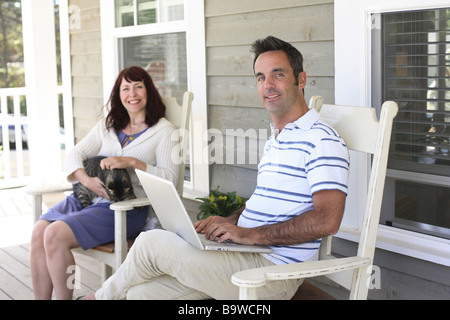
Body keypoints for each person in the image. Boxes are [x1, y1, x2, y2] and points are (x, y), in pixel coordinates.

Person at [83, 36, 349, 300]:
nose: (267, 85)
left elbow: (327, 220)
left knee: (150, 243)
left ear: (300, 80)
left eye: (277, 74)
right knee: (142, 294)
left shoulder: (321, 140)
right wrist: (231, 221)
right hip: (241, 256)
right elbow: (265, 202)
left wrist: (249, 234)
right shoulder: (279, 137)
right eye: (260, 77)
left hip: (271, 274)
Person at [30, 66, 180, 300]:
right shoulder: (108, 125)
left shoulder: (163, 131)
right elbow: (74, 155)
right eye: (125, 88)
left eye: (138, 86)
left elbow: (171, 178)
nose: (132, 93)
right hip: (89, 195)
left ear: (148, 91)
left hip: (124, 207)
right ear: (118, 95)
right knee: (39, 231)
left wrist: (132, 162)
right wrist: (86, 180)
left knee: (54, 235)